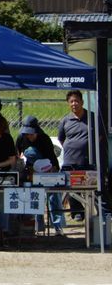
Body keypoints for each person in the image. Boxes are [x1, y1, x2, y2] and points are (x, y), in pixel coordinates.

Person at [16, 115, 65, 236]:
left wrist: (52, 171)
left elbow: (53, 159)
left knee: (53, 197)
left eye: (31, 134)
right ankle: (38, 226)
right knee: (35, 197)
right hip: (31, 170)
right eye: (27, 134)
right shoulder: (21, 138)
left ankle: (58, 226)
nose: (29, 136)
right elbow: (16, 154)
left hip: (48, 170)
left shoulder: (45, 139)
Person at [57, 90, 98, 221]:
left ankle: (101, 215)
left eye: (76, 101)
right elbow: (61, 139)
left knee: (93, 189)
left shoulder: (92, 118)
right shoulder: (65, 120)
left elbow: (100, 136)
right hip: (70, 162)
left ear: (82, 102)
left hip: (88, 161)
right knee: (71, 189)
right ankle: (77, 212)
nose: (74, 103)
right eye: (71, 101)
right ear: (68, 104)